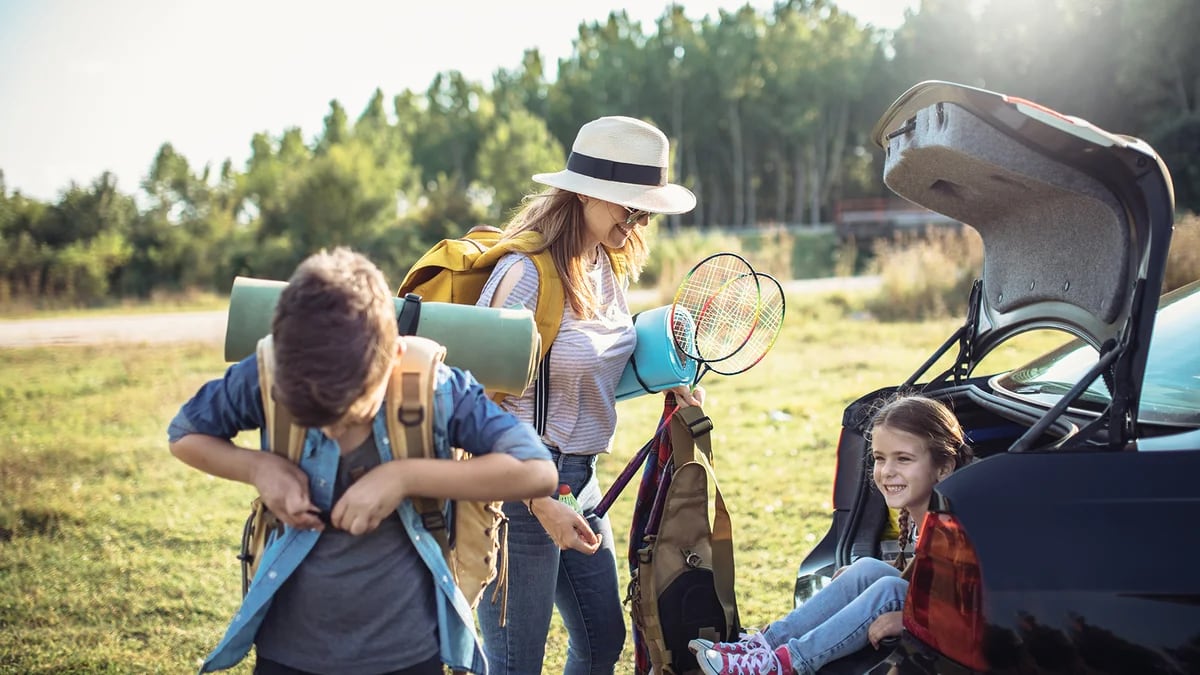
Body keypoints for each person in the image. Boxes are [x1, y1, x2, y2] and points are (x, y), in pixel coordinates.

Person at [167, 247, 558, 675]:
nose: (333, 433)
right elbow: (185, 434)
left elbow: (536, 471)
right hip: (285, 651)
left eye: (350, 414)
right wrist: (258, 468)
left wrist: (404, 476)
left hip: (406, 654)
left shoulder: (435, 390)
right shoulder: (269, 372)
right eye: (312, 419)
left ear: (394, 357)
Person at [474, 115, 704, 674]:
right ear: (585, 195)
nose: (641, 220)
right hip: (519, 488)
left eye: (648, 210)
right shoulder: (523, 274)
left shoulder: (602, 263)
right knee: (515, 662)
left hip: (580, 479)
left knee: (603, 640)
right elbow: (475, 403)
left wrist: (671, 381)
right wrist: (537, 499)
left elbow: (594, 357)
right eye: (632, 206)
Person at [689, 394, 974, 675]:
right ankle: (764, 646)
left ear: (944, 467)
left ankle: (785, 665)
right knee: (867, 569)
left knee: (889, 590)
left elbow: (977, 614)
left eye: (903, 459)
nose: (887, 471)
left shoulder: (959, 530)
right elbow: (926, 575)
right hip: (936, 611)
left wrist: (906, 621)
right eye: (879, 458)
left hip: (957, 631)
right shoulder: (927, 514)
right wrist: (858, 580)